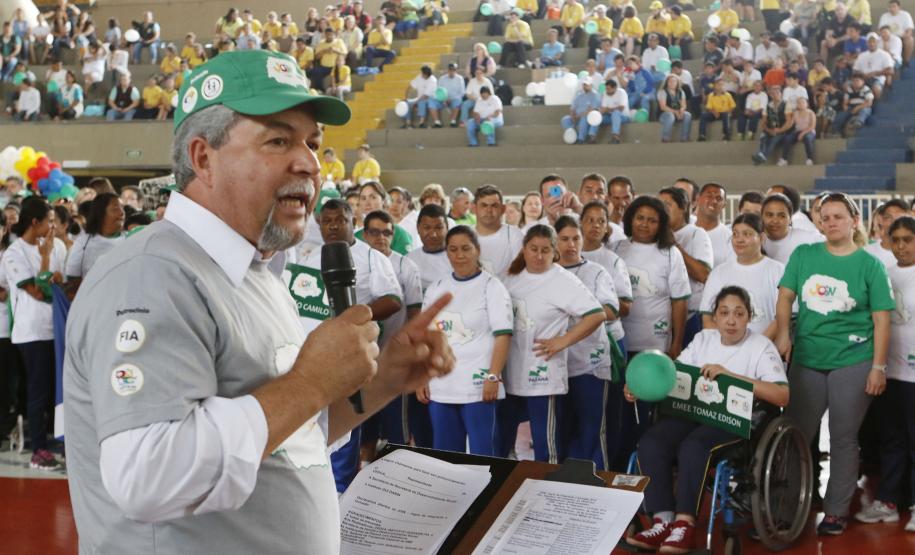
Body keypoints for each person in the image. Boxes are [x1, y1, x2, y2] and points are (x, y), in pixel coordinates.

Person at [63, 50, 455, 553]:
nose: (310, 163)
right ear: (204, 158)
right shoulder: (151, 274)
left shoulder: (254, 272)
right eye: (279, 141)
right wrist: (310, 383)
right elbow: (149, 474)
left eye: (313, 143)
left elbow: (287, 436)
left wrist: (387, 377)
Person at [627, 286, 789, 553]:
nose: (731, 320)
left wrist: (730, 376)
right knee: (651, 442)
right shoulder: (703, 339)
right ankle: (663, 520)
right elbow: (672, 376)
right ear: (714, 316)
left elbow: (782, 395)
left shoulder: (761, 346)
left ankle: (684, 525)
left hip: (735, 419)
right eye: (724, 313)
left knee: (694, 446)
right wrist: (639, 387)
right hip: (696, 412)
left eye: (739, 313)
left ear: (749, 316)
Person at [775, 193, 894, 536]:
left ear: (854, 221)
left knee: (843, 437)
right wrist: (783, 334)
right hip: (808, 358)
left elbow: (882, 320)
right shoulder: (804, 255)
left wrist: (878, 367)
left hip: (853, 360)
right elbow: (785, 296)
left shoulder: (870, 265)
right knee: (796, 435)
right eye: (824, 217)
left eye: (838, 217)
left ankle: (836, 511)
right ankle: (786, 507)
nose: (831, 223)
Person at [288, 197, 402, 492]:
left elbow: (393, 300)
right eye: (327, 222)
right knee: (312, 428)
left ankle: (342, 492)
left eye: (340, 220)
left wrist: (354, 318)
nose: (333, 226)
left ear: (354, 222)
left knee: (343, 429)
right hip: (309, 357)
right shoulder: (309, 258)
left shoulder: (371, 257)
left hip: (349, 355)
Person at [498, 225, 607, 463]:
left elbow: (596, 314)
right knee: (500, 440)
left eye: (545, 250)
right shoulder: (511, 276)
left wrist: (562, 341)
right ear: (524, 249)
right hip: (509, 373)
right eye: (533, 249)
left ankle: (546, 484)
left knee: (545, 448)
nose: (539, 256)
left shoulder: (562, 280)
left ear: (554, 251)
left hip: (542, 377)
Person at [418, 226, 512, 455]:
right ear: (447, 253)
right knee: (446, 457)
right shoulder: (436, 288)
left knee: (483, 456)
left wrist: (493, 376)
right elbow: (425, 338)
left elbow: (503, 335)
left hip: (479, 387)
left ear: (477, 250)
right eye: (453, 249)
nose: (460, 255)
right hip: (442, 388)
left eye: (466, 248)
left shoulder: (492, 287)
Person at [613, 196, 691, 469]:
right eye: (640, 218)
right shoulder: (616, 249)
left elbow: (679, 301)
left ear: (661, 224)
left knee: (643, 415)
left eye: (652, 220)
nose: (645, 224)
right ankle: (619, 468)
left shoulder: (670, 254)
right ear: (630, 220)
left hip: (654, 347)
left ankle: (645, 469)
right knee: (620, 414)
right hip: (621, 345)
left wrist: (676, 342)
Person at [854, 216, 915, 529]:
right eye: (896, 240)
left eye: (909, 239)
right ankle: (889, 501)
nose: (901, 246)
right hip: (888, 371)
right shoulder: (885, 274)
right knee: (891, 440)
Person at [2, 197, 67, 470]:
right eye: (48, 221)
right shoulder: (14, 253)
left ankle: (57, 441)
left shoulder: (56, 246)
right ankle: (38, 450)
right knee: (38, 391)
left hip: (57, 328)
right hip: (32, 331)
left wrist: (56, 276)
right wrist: (44, 259)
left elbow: (61, 282)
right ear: (34, 222)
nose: (52, 227)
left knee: (57, 389)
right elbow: (39, 292)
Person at [555, 216, 618, 469]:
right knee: (559, 433)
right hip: (556, 367)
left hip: (590, 364)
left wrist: (579, 310)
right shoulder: (547, 273)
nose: (571, 244)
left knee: (592, 430)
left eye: (576, 238)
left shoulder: (596, 272)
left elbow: (611, 311)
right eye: (564, 239)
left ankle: (597, 482)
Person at [700, 214, 784, 339]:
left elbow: (783, 316)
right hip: (725, 348)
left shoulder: (778, 271)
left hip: (766, 346)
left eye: (747, 234)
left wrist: (758, 345)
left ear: (762, 238)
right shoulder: (718, 273)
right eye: (735, 234)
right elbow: (707, 317)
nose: (739, 240)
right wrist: (727, 345)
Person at [659, 187, 713, 349]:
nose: (661, 210)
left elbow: (704, 274)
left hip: (690, 317)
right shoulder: (655, 235)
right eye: (659, 205)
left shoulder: (696, 233)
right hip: (661, 319)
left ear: (683, 208)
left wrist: (674, 245)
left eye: (667, 205)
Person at [65, 193, 125, 290]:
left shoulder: (130, 239)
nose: (122, 213)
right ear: (100, 213)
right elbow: (73, 278)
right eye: (115, 209)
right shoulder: (83, 242)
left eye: (122, 208)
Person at [760, 193, 825, 264]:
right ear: (761, 217)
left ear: (790, 218)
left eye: (782, 216)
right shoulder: (754, 240)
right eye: (769, 215)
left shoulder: (810, 239)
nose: (775, 221)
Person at [473, 185, 523, 277]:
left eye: (494, 206)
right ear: (474, 208)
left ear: (503, 209)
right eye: (484, 205)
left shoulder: (514, 235)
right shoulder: (465, 235)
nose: (489, 210)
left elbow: (520, 271)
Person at [752, 86, 794, 165]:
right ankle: (761, 154)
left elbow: (789, 122)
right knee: (763, 137)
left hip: (784, 129)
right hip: (771, 129)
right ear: (771, 95)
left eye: (777, 93)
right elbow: (763, 123)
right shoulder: (768, 106)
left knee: (774, 139)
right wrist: (769, 130)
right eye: (773, 93)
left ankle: (762, 156)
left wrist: (779, 130)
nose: (775, 95)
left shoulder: (787, 104)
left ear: (781, 94)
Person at [561, 76, 603, 144]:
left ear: (591, 85)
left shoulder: (595, 95)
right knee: (565, 119)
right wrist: (572, 115)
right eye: (584, 84)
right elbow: (573, 107)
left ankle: (581, 139)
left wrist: (579, 116)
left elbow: (592, 110)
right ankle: (573, 135)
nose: (585, 86)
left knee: (584, 118)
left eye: (586, 85)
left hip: (587, 117)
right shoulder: (579, 95)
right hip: (576, 116)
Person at [657, 74, 692, 143]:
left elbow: (683, 105)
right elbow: (663, 107)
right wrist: (675, 112)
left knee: (687, 115)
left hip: (677, 113)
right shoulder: (662, 92)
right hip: (664, 115)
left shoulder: (681, 92)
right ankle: (665, 138)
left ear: (677, 83)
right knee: (670, 115)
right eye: (670, 81)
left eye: (674, 81)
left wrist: (681, 111)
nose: (672, 83)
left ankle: (684, 138)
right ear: (667, 83)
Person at [783, 97, 817, 166]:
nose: (800, 104)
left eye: (802, 102)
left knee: (807, 138)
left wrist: (803, 133)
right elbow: (790, 124)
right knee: (787, 138)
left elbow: (812, 126)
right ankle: (784, 159)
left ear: (806, 104)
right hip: (798, 131)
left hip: (809, 131)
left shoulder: (811, 113)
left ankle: (809, 159)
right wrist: (780, 130)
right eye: (798, 103)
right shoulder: (795, 113)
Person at [432, 63, 465, 127]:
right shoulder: (442, 78)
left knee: (458, 101)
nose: (452, 71)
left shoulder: (460, 79)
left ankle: (453, 121)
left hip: (454, 100)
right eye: (450, 69)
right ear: (448, 70)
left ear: (456, 70)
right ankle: (437, 122)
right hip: (442, 100)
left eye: (453, 70)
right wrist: (443, 99)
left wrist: (451, 99)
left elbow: (462, 93)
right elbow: (437, 91)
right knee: (431, 101)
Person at [599, 78, 631, 144]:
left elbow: (621, 108)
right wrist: (603, 111)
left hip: (624, 117)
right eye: (606, 89)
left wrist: (608, 109)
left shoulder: (622, 92)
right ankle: (591, 138)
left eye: (609, 89)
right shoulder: (605, 93)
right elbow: (603, 110)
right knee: (598, 118)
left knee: (615, 113)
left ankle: (615, 137)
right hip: (610, 117)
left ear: (615, 88)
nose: (607, 91)